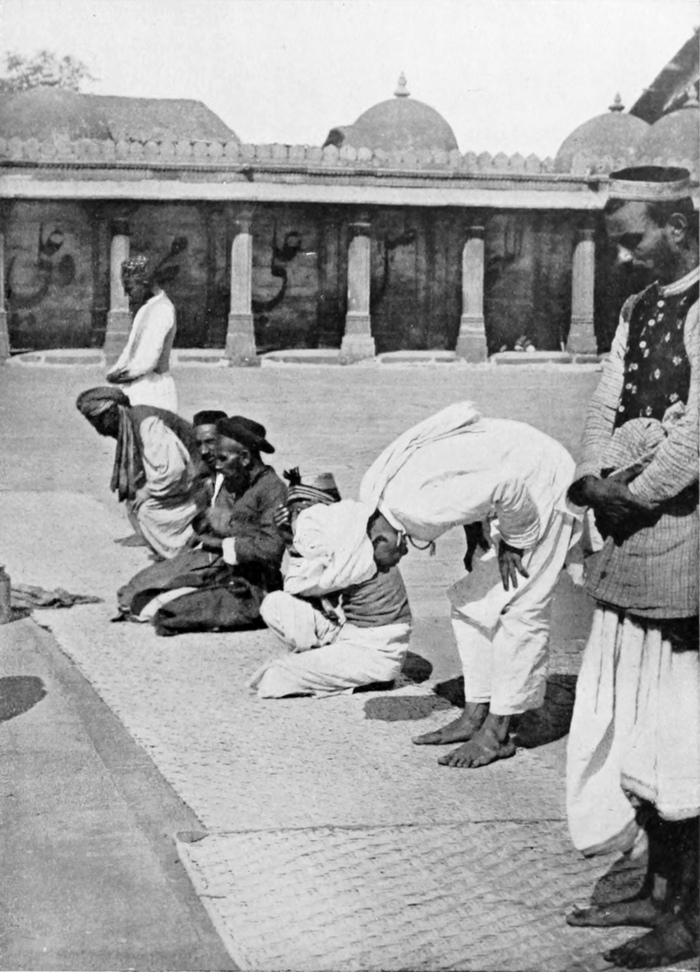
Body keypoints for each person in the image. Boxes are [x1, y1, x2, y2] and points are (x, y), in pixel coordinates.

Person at [564, 166, 698, 969]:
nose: (623, 256)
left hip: (683, 539)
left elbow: (698, 434)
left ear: (678, 226)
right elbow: (605, 400)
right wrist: (592, 477)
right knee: (637, 718)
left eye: (633, 238)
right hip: (628, 535)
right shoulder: (636, 308)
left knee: (685, 734)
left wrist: (632, 496)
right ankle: (657, 887)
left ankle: (691, 917)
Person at [359, 400, 580, 769]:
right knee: (472, 603)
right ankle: (475, 715)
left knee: (519, 607)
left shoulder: (415, 511)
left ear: (378, 539)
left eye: (381, 563)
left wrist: (515, 541)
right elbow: (462, 479)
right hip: (512, 486)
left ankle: (497, 735)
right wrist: (474, 537)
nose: (391, 566)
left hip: (539, 479)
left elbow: (506, 485)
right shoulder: (378, 498)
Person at [117, 415, 287, 636]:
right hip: (219, 566)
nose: (217, 464)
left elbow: (271, 547)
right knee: (135, 594)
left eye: (223, 458)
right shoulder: (235, 479)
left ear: (245, 458)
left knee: (169, 613)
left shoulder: (272, 489)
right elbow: (218, 525)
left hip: (253, 587)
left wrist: (225, 540)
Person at [248, 471, 412, 698]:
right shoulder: (341, 531)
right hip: (346, 631)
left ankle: (363, 675)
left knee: (278, 675)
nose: (296, 519)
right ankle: (329, 661)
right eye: (293, 512)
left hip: (376, 651)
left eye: (302, 511)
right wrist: (290, 539)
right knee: (274, 604)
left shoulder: (350, 540)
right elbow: (303, 589)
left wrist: (289, 540)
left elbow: (300, 585)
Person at [76, 386, 200, 559]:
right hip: (183, 478)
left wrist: (148, 491)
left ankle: (180, 550)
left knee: (145, 509)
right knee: (134, 498)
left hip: (198, 481)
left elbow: (172, 470)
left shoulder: (147, 424)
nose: (96, 426)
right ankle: (160, 544)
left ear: (111, 412)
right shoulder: (130, 420)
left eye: (97, 419)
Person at [106, 256, 178, 412]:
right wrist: (114, 371)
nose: (126, 294)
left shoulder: (162, 309)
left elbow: (147, 361)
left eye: (129, 288)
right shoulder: (145, 309)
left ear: (145, 284)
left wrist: (118, 376)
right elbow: (129, 351)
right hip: (137, 388)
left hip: (155, 391)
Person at [191, 409, 227, 503]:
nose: (203, 451)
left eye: (210, 442)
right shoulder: (198, 482)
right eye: (198, 444)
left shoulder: (242, 483)